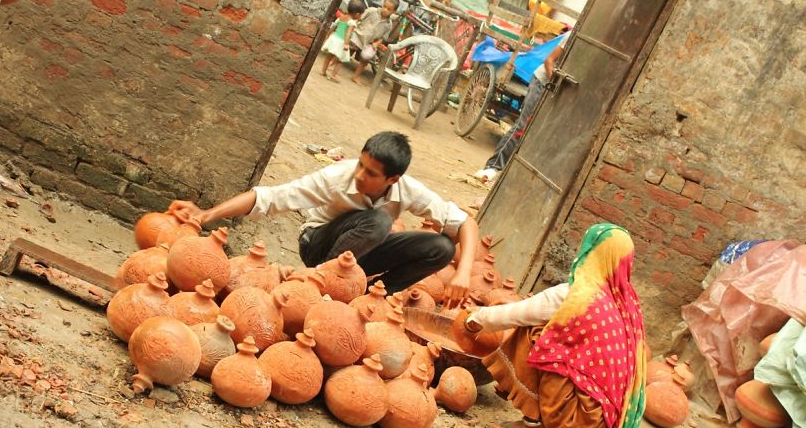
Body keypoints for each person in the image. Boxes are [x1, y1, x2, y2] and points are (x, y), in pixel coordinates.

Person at [170, 131, 478, 303]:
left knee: (442, 248)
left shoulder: (409, 190)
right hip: (317, 244)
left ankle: (371, 298)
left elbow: (466, 222)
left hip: (359, 253)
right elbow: (270, 197)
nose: (359, 175)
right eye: (360, 164)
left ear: (392, 179)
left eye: (370, 174)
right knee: (380, 221)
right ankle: (321, 286)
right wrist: (207, 214)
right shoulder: (338, 177)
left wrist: (463, 273)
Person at [458, 223, 646, 428]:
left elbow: (518, 313)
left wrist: (474, 320)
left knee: (534, 329)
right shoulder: (626, 305)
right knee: (557, 335)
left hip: (572, 424)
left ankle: (535, 426)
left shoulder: (577, 295)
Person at [472, 31, 570, 183]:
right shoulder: (572, 35)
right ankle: (493, 166)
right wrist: (554, 86)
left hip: (556, 90)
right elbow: (549, 60)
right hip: (543, 82)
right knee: (522, 126)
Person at [349, 0, 399, 86]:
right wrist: (350, 29)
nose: (385, 9)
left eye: (389, 9)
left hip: (368, 43)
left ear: (394, 12)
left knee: (365, 61)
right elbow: (358, 19)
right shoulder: (372, 11)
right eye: (384, 6)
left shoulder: (388, 25)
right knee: (346, 51)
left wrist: (376, 44)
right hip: (357, 36)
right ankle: (333, 65)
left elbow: (383, 38)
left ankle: (355, 76)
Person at [319, 0, 366, 83]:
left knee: (329, 56)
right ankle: (333, 75)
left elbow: (333, 27)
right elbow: (348, 34)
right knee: (340, 60)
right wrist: (346, 44)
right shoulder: (351, 22)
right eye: (361, 14)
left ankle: (323, 71)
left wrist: (328, 35)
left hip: (334, 39)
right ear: (358, 14)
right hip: (341, 42)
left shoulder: (341, 17)